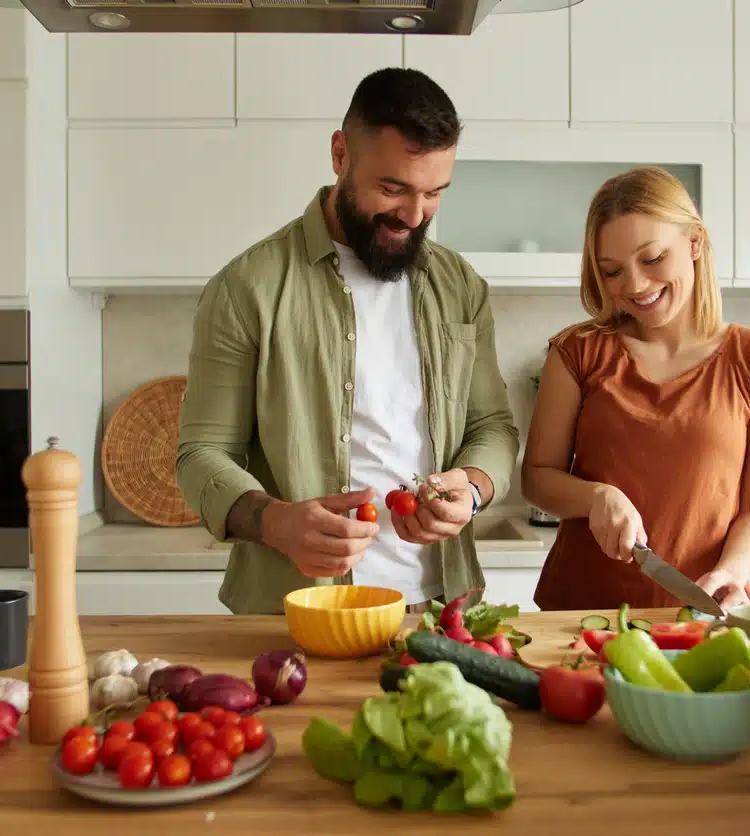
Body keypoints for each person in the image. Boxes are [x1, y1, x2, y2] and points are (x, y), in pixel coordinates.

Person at [176, 67, 519, 616]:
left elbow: (492, 427)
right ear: (340, 155)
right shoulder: (247, 289)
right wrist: (276, 522)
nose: (414, 215)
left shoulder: (461, 287)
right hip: (297, 611)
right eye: (392, 188)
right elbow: (200, 454)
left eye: (434, 193)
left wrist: (472, 488)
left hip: (442, 607)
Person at [522, 166, 750, 611]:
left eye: (651, 259)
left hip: (698, 614)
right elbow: (536, 479)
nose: (634, 285)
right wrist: (596, 496)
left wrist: (734, 571)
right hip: (579, 615)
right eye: (612, 272)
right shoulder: (577, 352)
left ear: (695, 243)